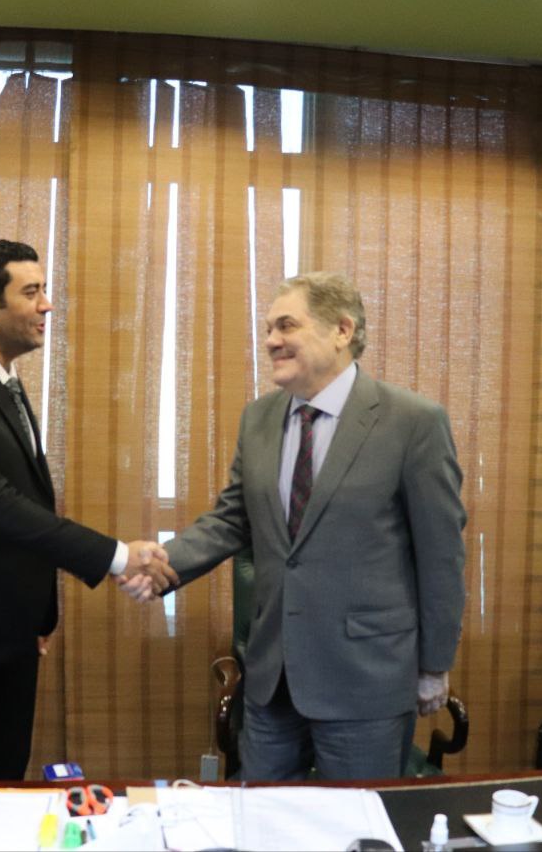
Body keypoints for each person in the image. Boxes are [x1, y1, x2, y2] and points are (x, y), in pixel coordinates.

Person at [0, 239, 176, 780]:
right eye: (31, 292)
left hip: (9, 632)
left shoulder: (3, 384)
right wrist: (118, 557)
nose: (47, 304)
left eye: (44, 290)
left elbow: (25, 505)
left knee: (4, 783)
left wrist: (36, 617)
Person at [163, 271, 466, 781]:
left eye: (286, 326)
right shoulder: (259, 419)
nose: (270, 340)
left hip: (365, 682)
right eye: (267, 329)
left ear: (342, 330)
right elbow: (232, 518)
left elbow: (441, 555)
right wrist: (157, 563)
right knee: (263, 817)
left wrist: (434, 665)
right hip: (272, 681)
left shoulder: (412, 422)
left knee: (354, 819)